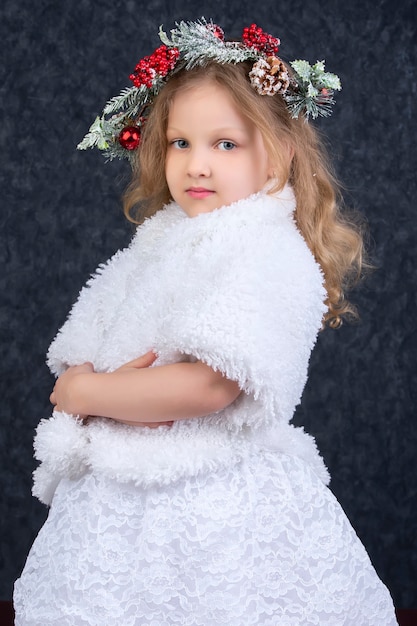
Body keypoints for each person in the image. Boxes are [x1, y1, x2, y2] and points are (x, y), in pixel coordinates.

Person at [14, 19, 397, 625]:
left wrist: (90, 391)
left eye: (225, 144)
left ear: (280, 152)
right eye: (180, 143)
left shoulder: (263, 251)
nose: (196, 165)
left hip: (215, 499)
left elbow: (213, 384)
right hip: (122, 489)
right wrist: (95, 378)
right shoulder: (163, 243)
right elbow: (97, 341)